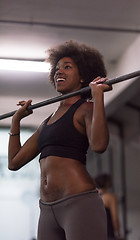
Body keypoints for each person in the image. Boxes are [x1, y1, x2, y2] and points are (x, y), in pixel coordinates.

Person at [8, 40, 112, 240]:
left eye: (67, 67)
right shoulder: (47, 122)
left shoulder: (85, 108)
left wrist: (97, 96)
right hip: (47, 210)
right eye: (56, 68)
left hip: (79, 203)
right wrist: (16, 121)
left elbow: (99, 145)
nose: (59, 72)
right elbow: (14, 162)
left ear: (83, 76)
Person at [95, 173, 121, 240]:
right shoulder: (111, 197)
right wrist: (118, 234)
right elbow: (115, 218)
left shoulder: (93, 197)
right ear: (107, 183)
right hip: (108, 234)